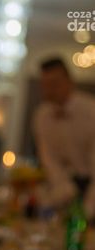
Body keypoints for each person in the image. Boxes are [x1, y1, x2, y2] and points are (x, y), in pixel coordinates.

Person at [32, 57, 95, 218]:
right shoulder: (42, 116)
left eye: (54, 84)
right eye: (45, 85)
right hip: (64, 189)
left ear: (69, 81)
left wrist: (87, 211)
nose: (50, 90)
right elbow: (49, 158)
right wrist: (63, 189)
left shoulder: (91, 111)